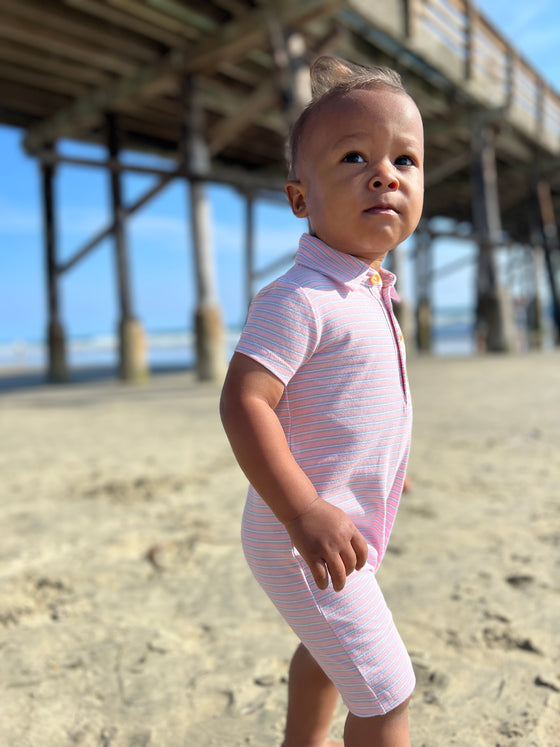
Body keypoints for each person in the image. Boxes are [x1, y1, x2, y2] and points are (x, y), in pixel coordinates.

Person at [220, 55, 424, 747]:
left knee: (333, 654)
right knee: (388, 691)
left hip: (348, 515)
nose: (385, 173)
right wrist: (304, 508)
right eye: (354, 157)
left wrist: (390, 459)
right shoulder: (299, 297)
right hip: (298, 529)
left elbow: (357, 398)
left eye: (405, 159)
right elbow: (245, 401)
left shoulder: (366, 290)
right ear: (300, 197)